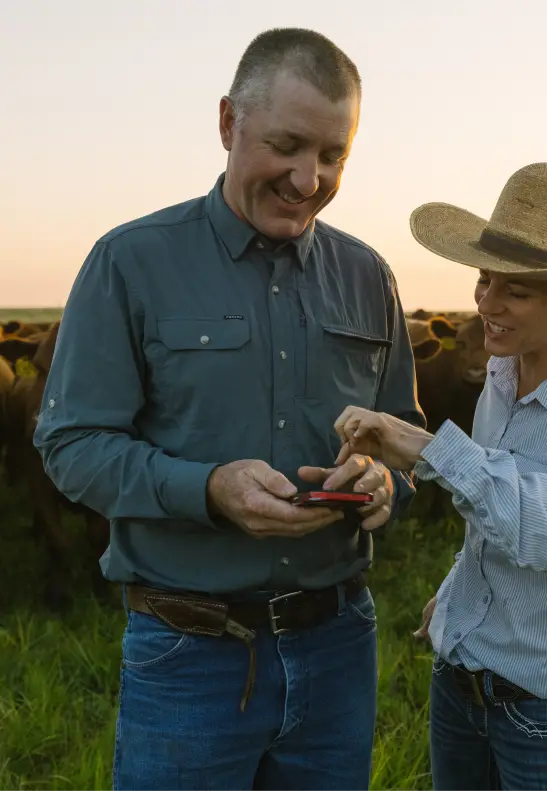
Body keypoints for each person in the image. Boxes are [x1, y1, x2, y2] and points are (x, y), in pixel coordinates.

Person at [33, 27, 425, 791]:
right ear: (226, 123)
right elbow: (71, 444)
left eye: (334, 155)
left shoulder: (369, 275)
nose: (309, 179)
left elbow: (402, 447)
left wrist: (382, 484)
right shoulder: (130, 262)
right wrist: (207, 488)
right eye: (287, 145)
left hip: (339, 645)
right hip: (189, 652)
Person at [333, 162, 547, 791]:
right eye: (484, 278)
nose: (487, 304)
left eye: (515, 291)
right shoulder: (502, 372)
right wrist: (462, 587)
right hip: (460, 686)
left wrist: (431, 448)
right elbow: (504, 506)